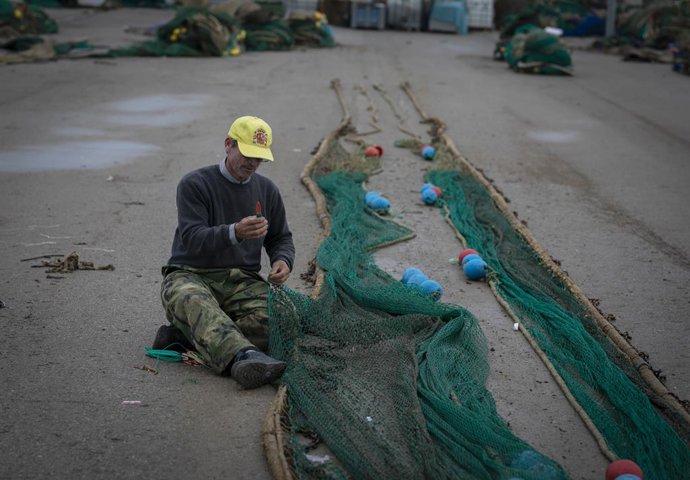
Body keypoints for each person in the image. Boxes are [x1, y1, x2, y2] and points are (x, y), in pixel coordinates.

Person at [153, 115, 295, 389]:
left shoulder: (267, 190)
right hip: (190, 275)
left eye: (260, 158)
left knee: (285, 317)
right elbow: (193, 239)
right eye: (248, 154)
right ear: (228, 145)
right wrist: (235, 232)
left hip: (241, 281)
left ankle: (186, 337)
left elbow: (281, 238)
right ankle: (244, 357)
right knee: (191, 299)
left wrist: (282, 260)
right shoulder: (194, 183)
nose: (253, 163)